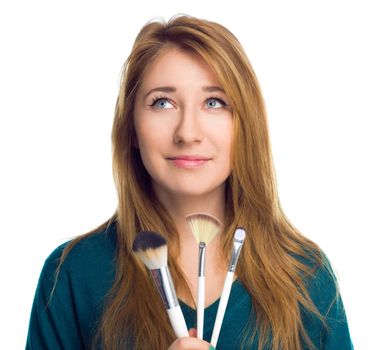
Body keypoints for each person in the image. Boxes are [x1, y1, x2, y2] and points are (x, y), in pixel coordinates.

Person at [26, 15, 353, 350]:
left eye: (214, 103)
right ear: (131, 128)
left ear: (245, 125)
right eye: (162, 103)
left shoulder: (306, 275)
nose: (188, 133)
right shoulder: (75, 273)